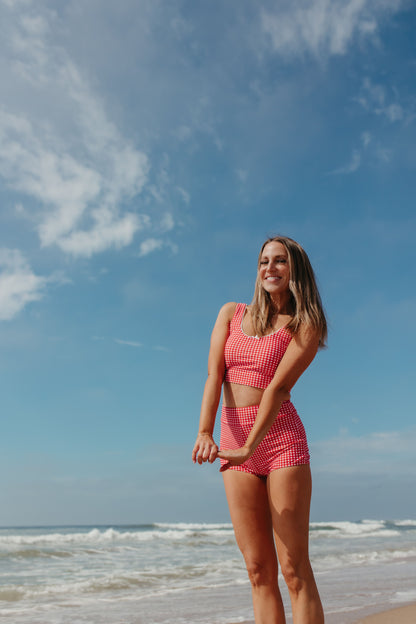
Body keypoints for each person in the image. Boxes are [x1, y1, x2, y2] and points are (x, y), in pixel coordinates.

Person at [192, 235, 327, 624]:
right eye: (264, 261)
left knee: (294, 568)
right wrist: (205, 431)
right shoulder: (231, 313)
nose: (270, 268)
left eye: (280, 261)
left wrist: (251, 446)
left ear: (295, 269)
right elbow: (214, 375)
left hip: (280, 441)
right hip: (234, 444)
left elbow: (279, 388)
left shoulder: (306, 324)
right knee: (257, 571)